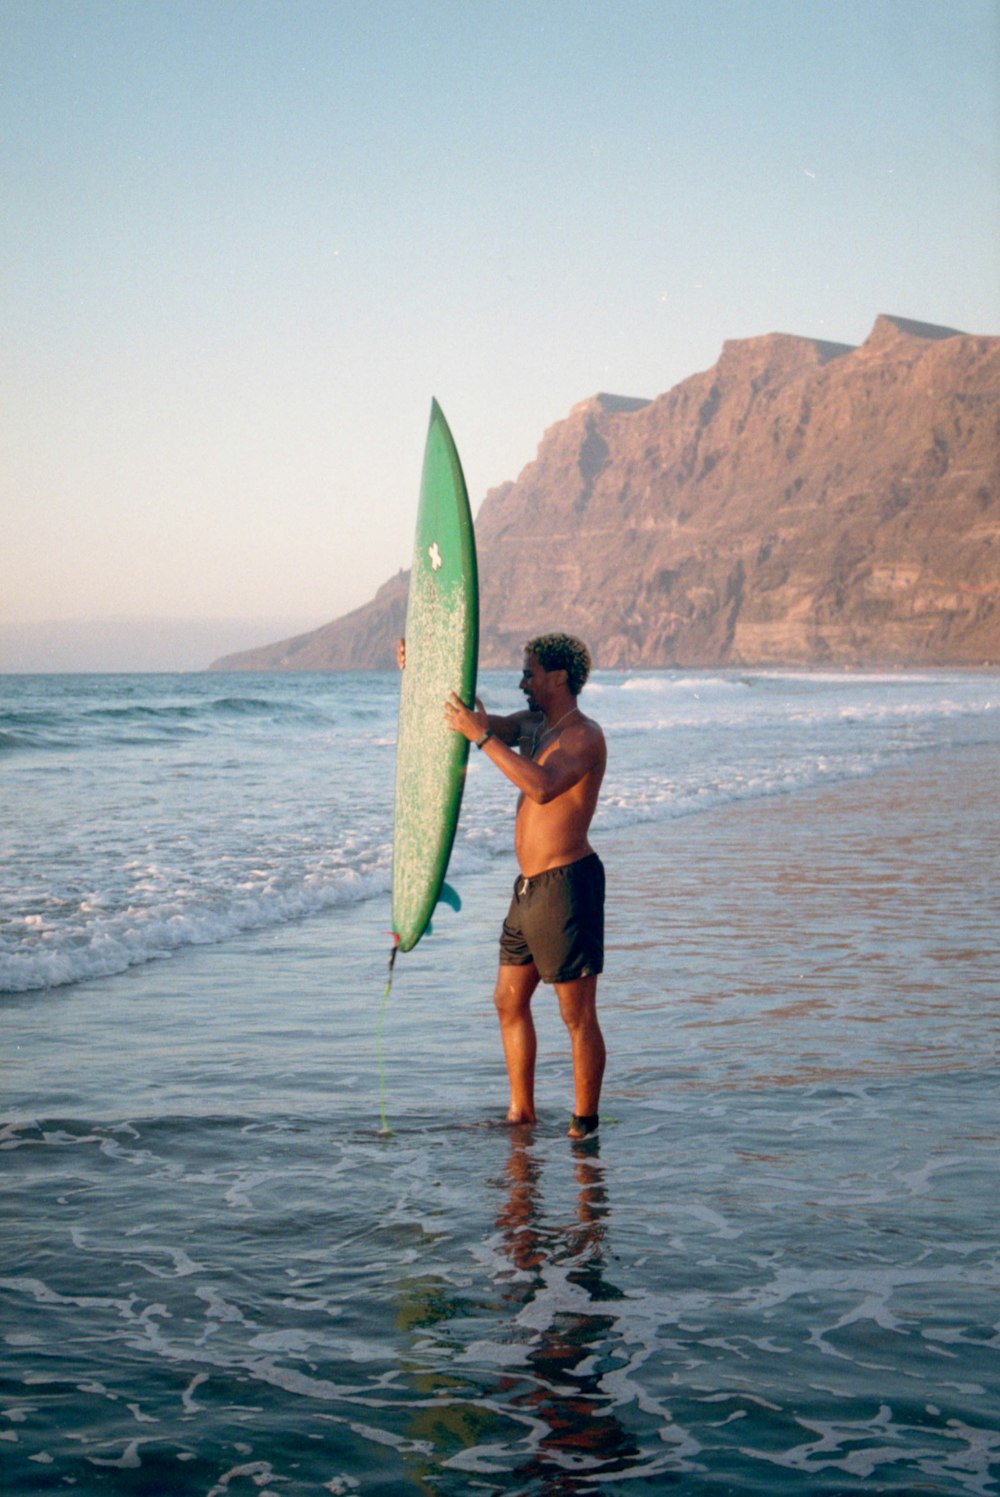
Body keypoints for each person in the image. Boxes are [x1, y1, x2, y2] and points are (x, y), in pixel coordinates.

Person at [444, 634, 607, 1139]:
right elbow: (473, 722)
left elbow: (540, 786)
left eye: (530, 673)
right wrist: (423, 672)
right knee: (508, 1000)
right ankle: (522, 1111)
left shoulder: (583, 736)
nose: (522, 682)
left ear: (558, 678)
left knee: (575, 1013)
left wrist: (484, 740)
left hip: (567, 885)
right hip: (528, 890)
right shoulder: (535, 725)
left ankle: (584, 1123)